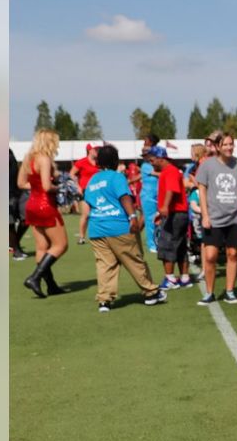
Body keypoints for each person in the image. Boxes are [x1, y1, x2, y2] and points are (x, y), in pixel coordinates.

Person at [81, 144, 167, 312]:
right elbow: (124, 197)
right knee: (134, 260)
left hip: (97, 228)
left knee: (105, 265)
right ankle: (150, 293)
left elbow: (88, 203)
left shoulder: (92, 180)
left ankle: (104, 301)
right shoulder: (116, 177)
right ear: (115, 160)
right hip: (118, 226)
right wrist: (132, 216)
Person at [193, 134, 237, 305]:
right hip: (213, 219)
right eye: (225, 144)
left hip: (235, 218)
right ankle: (209, 293)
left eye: (231, 144)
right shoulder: (207, 165)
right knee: (211, 256)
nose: (229, 147)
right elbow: (202, 190)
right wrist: (205, 215)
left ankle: (229, 291)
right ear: (218, 147)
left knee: (232, 254)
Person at [16, 128, 70, 298]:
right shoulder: (44, 159)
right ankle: (35, 277)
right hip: (45, 205)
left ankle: (51, 285)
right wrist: (60, 187)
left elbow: (21, 183)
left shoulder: (28, 158)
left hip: (32, 204)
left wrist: (38, 187)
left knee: (42, 247)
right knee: (61, 245)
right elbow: (47, 187)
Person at [147, 146, 193, 289]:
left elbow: (171, 189)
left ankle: (170, 279)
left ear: (161, 159)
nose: (151, 163)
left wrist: (164, 207)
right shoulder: (169, 171)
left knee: (166, 244)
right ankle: (184, 277)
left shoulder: (170, 171)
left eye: (152, 160)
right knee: (180, 247)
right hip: (178, 213)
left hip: (175, 213)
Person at [137, 134, 161, 253]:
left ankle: (154, 241)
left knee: (154, 220)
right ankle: (151, 244)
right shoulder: (145, 166)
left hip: (156, 195)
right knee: (149, 220)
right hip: (148, 196)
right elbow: (158, 174)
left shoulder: (155, 164)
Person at [10, 148, 31, 260]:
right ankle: (16, 251)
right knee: (10, 223)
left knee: (26, 219)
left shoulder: (9, 151)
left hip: (17, 192)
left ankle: (15, 244)